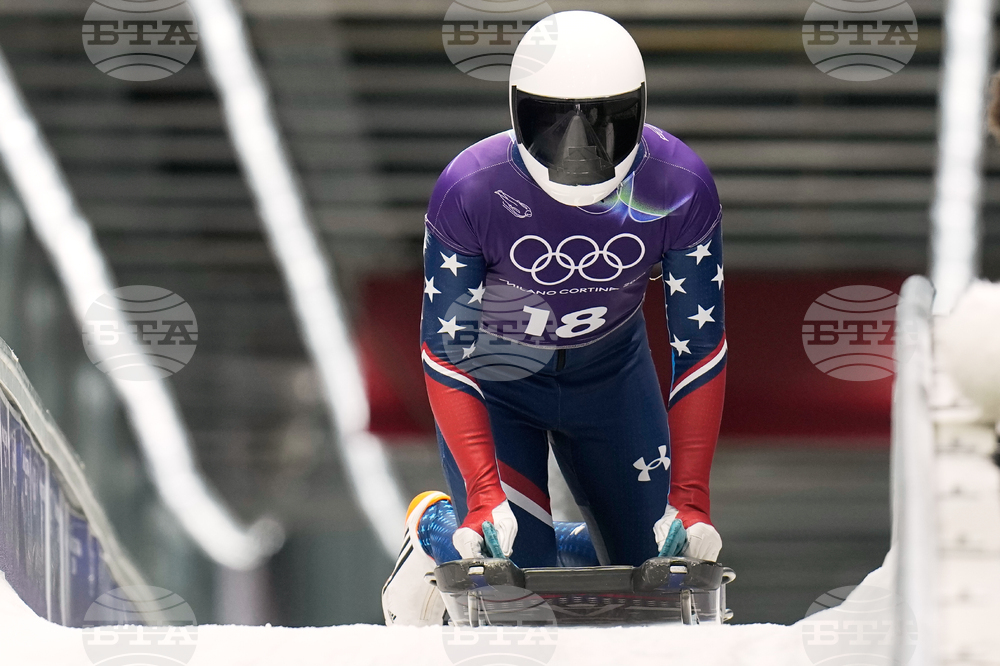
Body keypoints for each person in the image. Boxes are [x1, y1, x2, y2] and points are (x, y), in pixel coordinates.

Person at [382, 10, 727, 625]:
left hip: (612, 380)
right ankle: (438, 523)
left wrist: (691, 500)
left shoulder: (679, 185)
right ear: (517, 112)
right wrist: (483, 496)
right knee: (518, 590)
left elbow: (699, 346)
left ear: (638, 112)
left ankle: (541, 533)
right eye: (554, 125)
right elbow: (445, 349)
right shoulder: (470, 188)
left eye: (603, 125)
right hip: (499, 383)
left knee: (658, 582)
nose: (579, 151)